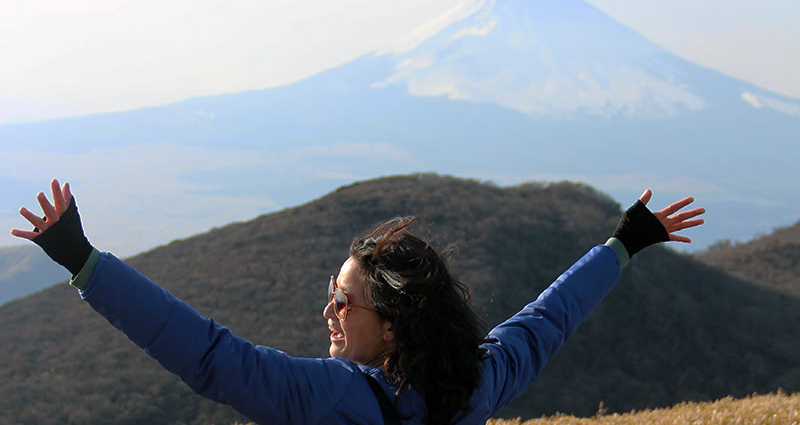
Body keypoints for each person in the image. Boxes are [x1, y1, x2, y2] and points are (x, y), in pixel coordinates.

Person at [12, 179, 704, 425]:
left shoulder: (327, 399)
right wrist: (623, 244)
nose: (328, 315)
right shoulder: (480, 382)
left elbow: (211, 357)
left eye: (343, 302)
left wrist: (84, 262)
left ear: (395, 327)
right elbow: (549, 319)